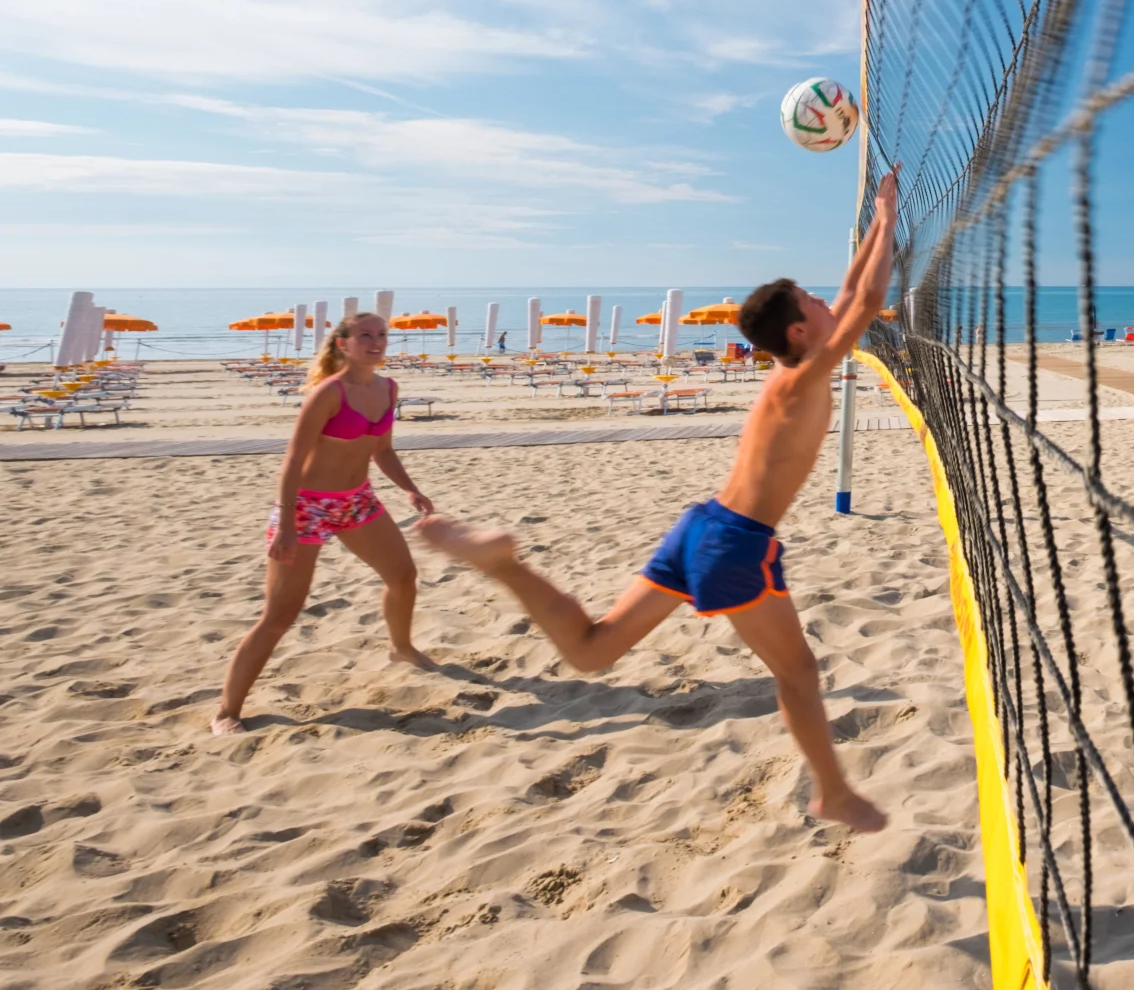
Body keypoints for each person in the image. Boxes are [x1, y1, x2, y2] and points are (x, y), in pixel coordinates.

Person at [420, 169, 902, 832]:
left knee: (591, 651)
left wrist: (880, 215)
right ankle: (832, 791)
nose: (828, 302)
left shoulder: (791, 372)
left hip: (702, 525)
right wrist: (886, 223)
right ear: (796, 331)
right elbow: (870, 295)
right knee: (798, 672)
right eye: (812, 301)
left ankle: (504, 564)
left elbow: (852, 291)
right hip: (736, 543)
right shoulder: (805, 374)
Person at [215, 313, 436, 735]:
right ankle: (227, 712)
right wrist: (285, 526)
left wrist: (410, 488)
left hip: (357, 500)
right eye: (365, 336)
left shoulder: (389, 388)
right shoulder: (327, 394)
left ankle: (401, 647)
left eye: (382, 336)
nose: (376, 342)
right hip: (305, 506)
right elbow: (293, 461)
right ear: (343, 344)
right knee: (280, 616)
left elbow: (383, 450)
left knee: (404, 576)